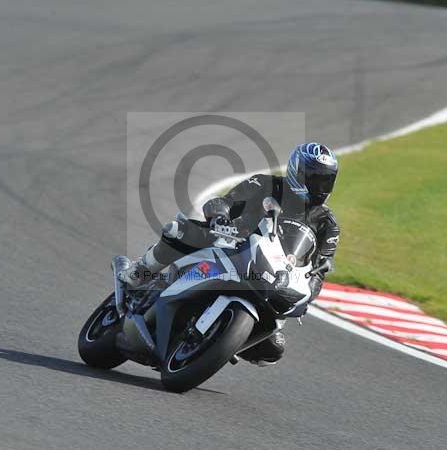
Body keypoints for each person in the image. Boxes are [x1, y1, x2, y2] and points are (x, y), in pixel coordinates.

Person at [114, 142, 340, 366]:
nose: (320, 186)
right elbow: (225, 202)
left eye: (326, 180)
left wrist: (309, 292)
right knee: (178, 231)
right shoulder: (266, 184)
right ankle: (135, 274)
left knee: (273, 348)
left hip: (273, 276)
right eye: (314, 178)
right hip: (232, 243)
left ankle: (222, 340)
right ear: (297, 171)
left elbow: (321, 267)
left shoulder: (327, 225)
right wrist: (220, 216)